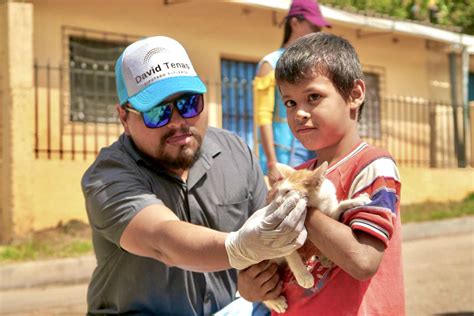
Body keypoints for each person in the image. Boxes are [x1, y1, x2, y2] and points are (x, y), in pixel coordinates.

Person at [81, 35, 309, 315]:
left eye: (189, 103)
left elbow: (265, 246)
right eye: (158, 112)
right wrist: (239, 247)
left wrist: (251, 282)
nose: (178, 122)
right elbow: (164, 240)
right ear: (124, 118)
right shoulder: (108, 177)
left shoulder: (235, 151)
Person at [240, 32, 405, 315]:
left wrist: (300, 207)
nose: (299, 113)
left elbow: (363, 261)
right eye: (290, 103)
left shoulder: (373, 166)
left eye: (313, 97)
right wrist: (249, 284)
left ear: (354, 95)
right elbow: (261, 256)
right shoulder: (299, 175)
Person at [253, 0, 330, 177]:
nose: (318, 33)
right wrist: (272, 163)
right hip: (283, 157)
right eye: (314, 26)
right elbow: (263, 117)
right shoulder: (270, 64)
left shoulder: (315, 64)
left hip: (313, 153)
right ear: (294, 22)